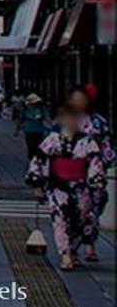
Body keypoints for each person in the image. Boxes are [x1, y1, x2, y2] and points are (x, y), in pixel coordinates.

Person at [28, 96, 107, 271]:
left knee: (81, 218)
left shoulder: (87, 141)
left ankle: (72, 249)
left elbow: (95, 162)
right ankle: (65, 255)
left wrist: (97, 179)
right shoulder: (52, 140)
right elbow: (39, 160)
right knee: (60, 220)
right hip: (58, 186)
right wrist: (37, 183)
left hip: (80, 187)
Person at [60, 85, 113, 262]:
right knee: (80, 213)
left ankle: (86, 247)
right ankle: (74, 249)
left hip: (89, 174)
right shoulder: (76, 120)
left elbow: (107, 148)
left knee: (89, 213)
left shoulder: (97, 122)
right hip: (77, 174)